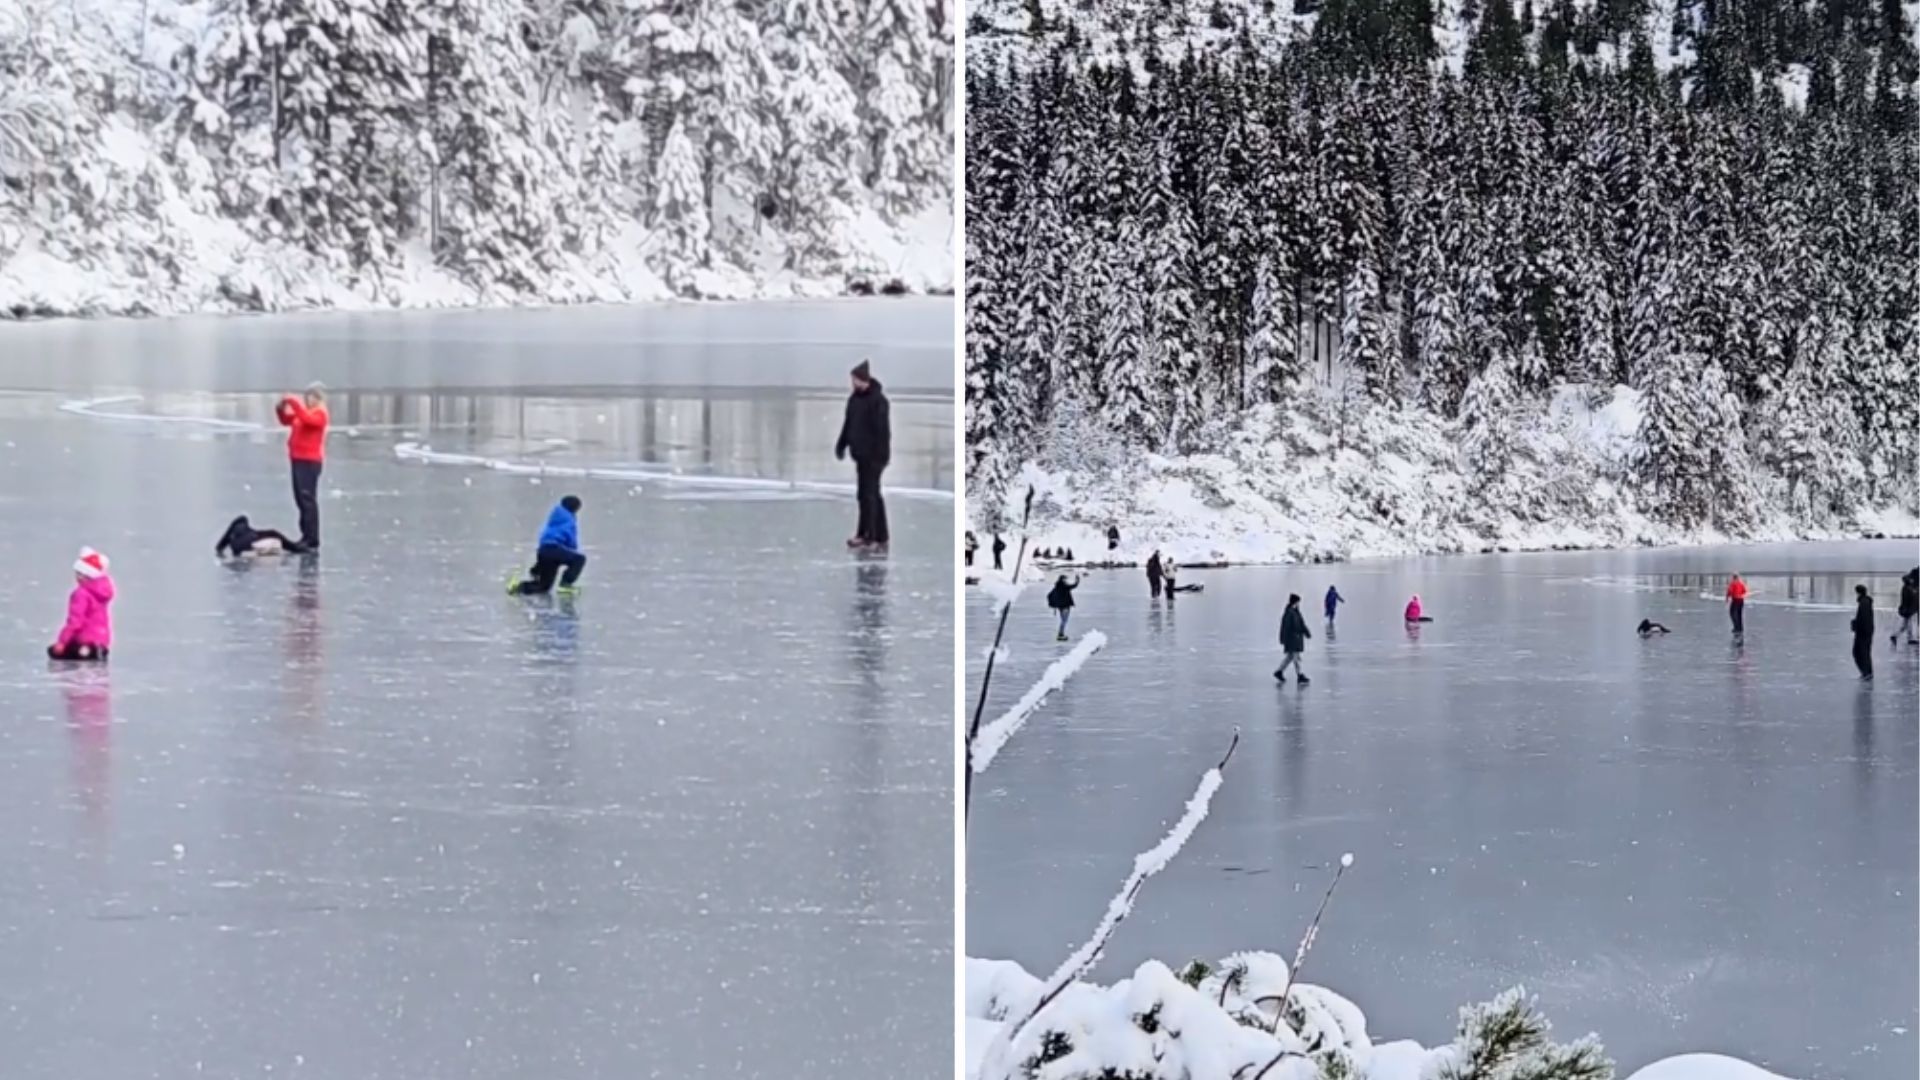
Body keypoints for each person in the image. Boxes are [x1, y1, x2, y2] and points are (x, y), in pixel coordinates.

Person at [835, 359, 891, 550]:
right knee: (866, 494)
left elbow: (882, 432)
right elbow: (848, 424)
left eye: (855, 381)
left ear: (863, 380)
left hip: (875, 457)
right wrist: (841, 444)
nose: (853, 384)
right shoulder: (854, 400)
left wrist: (880, 456)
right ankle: (876, 534)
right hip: (860, 455)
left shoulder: (878, 401)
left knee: (870, 495)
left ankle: (872, 536)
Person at [277, 383, 329, 552]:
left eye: (313, 397)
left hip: (310, 462)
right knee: (300, 499)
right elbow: (287, 420)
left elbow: (307, 420)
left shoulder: (320, 414)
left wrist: (293, 401)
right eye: (308, 397)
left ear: (319, 399)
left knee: (308, 500)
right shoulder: (303, 414)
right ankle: (305, 535)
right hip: (297, 460)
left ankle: (312, 538)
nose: (309, 400)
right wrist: (281, 408)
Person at [510, 495, 587, 596]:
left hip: (544, 550)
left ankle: (519, 587)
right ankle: (565, 585)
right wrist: (572, 551)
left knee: (544, 587)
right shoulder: (569, 519)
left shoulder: (555, 517)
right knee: (579, 559)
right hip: (555, 549)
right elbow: (570, 538)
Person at [49, 548, 113, 661]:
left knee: (53, 652)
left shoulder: (81, 594)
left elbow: (75, 622)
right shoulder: (102, 593)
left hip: (84, 644)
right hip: (102, 643)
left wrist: (62, 642)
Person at [215, 515, 296, 559]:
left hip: (241, 541)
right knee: (273, 534)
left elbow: (223, 542)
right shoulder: (247, 531)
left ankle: (296, 548)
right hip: (245, 540)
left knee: (243, 520)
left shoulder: (240, 529)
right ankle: (296, 548)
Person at [1275, 593, 1312, 685]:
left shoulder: (1295, 612)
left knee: (1290, 657)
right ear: (1295, 602)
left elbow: (1301, 624)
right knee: (1296, 658)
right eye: (1298, 602)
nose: (1299, 604)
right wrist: (1283, 638)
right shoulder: (1290, 613)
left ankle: (1279, 671)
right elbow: (1288, 627)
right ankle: (1300, 675)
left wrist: (1306, 632)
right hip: (1293, 639)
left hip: (1295, 638)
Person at [1851, 584, 1874, 680]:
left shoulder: (1864, 603)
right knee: (1863, 652)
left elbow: (1864, 619)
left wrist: (1856, 625)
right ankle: (1866, 672)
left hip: (1863, 633)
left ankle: (1866, 672)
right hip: (1865, 632)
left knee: (1860, 652)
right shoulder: (1865, 602)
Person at [1047, 574, 1079, 641]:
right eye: (1065, 579)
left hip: (1060, 607)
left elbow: (1049, 595)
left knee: (1063, 620)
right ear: (1062, 579)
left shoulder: (1057, 587)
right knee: (1064, 621)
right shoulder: (1064, 586)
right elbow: (1074, 586)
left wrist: (1054, 604)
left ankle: (1061, 634)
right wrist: (1077, 580)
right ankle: (1060, 634)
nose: (1066, 580)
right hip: (1065, 606)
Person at [1893, 568, 1916, 647]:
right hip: (1907, 609)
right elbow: (1910, 598)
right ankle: (1906, 638)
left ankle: (1898, 636)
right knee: (1906, 624)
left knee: (1906, 624)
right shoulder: (1908, 589)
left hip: (1906, 609)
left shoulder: (1905, 588)